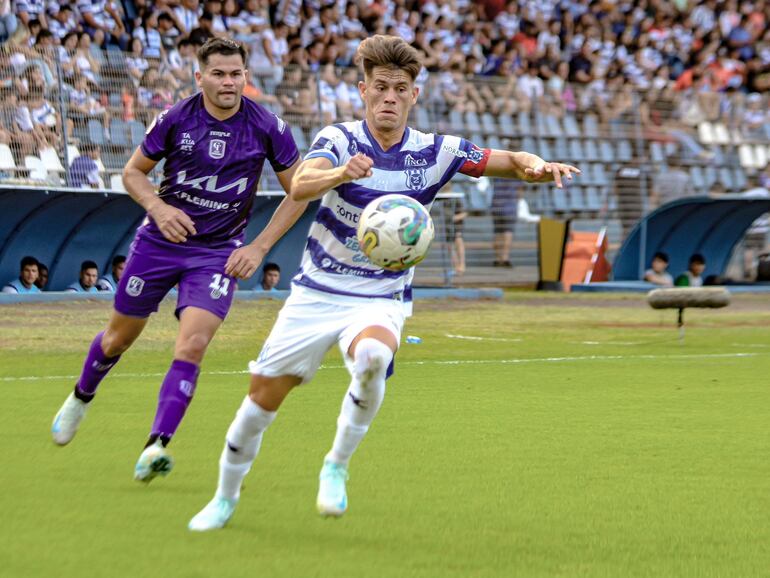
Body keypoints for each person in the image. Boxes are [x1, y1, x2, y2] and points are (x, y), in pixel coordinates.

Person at [188, 35, 580, 531]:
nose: (389, 96)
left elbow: (509, 161)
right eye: (380, 87)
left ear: (415, 95)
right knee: (261, 402)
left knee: (373, 358)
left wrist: (537, 167)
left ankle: (336, 463)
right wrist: (339, 175)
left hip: (379, 295)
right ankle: (224, 497)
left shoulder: (436, 153)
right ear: (363, 91)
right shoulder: (339, 140)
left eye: (400, 87)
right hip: (317, 292)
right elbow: (301, 185)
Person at [51, 38, 307, 484]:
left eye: (236, 74)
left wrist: (259, 247)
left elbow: (299, 191)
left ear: (246, 76)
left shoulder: (268, 126)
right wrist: (159, 208)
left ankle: (156, 446)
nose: (229, 82)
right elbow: (133, 173)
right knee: (117, 339)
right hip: (159, 244)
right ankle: (80, 395)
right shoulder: (176, 118)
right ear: (200, 77)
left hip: (217, 252)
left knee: (192, 345)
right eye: (219, 74)